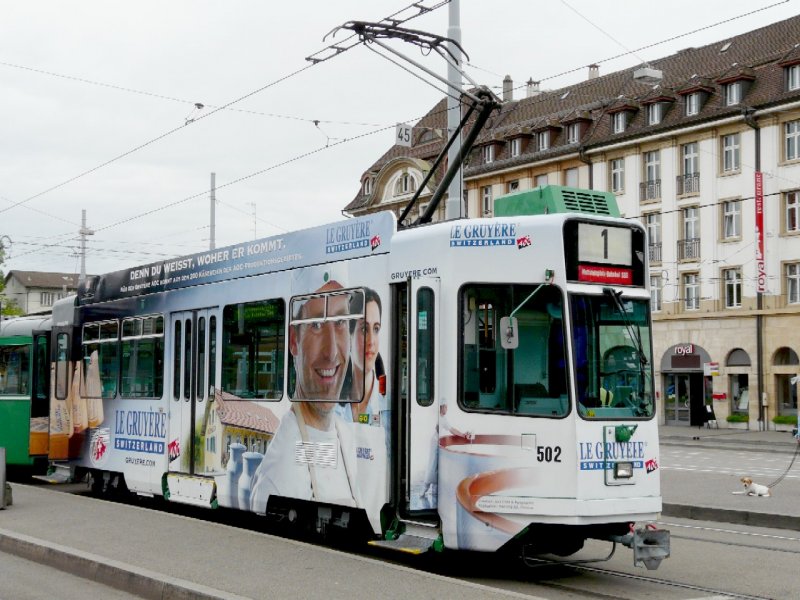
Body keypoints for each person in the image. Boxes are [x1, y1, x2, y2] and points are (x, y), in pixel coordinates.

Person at [249, 280, 360, 515]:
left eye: (340, 321)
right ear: (294, 341)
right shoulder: (278, 477)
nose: (331, 352)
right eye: (317, 325)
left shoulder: (346, 437)